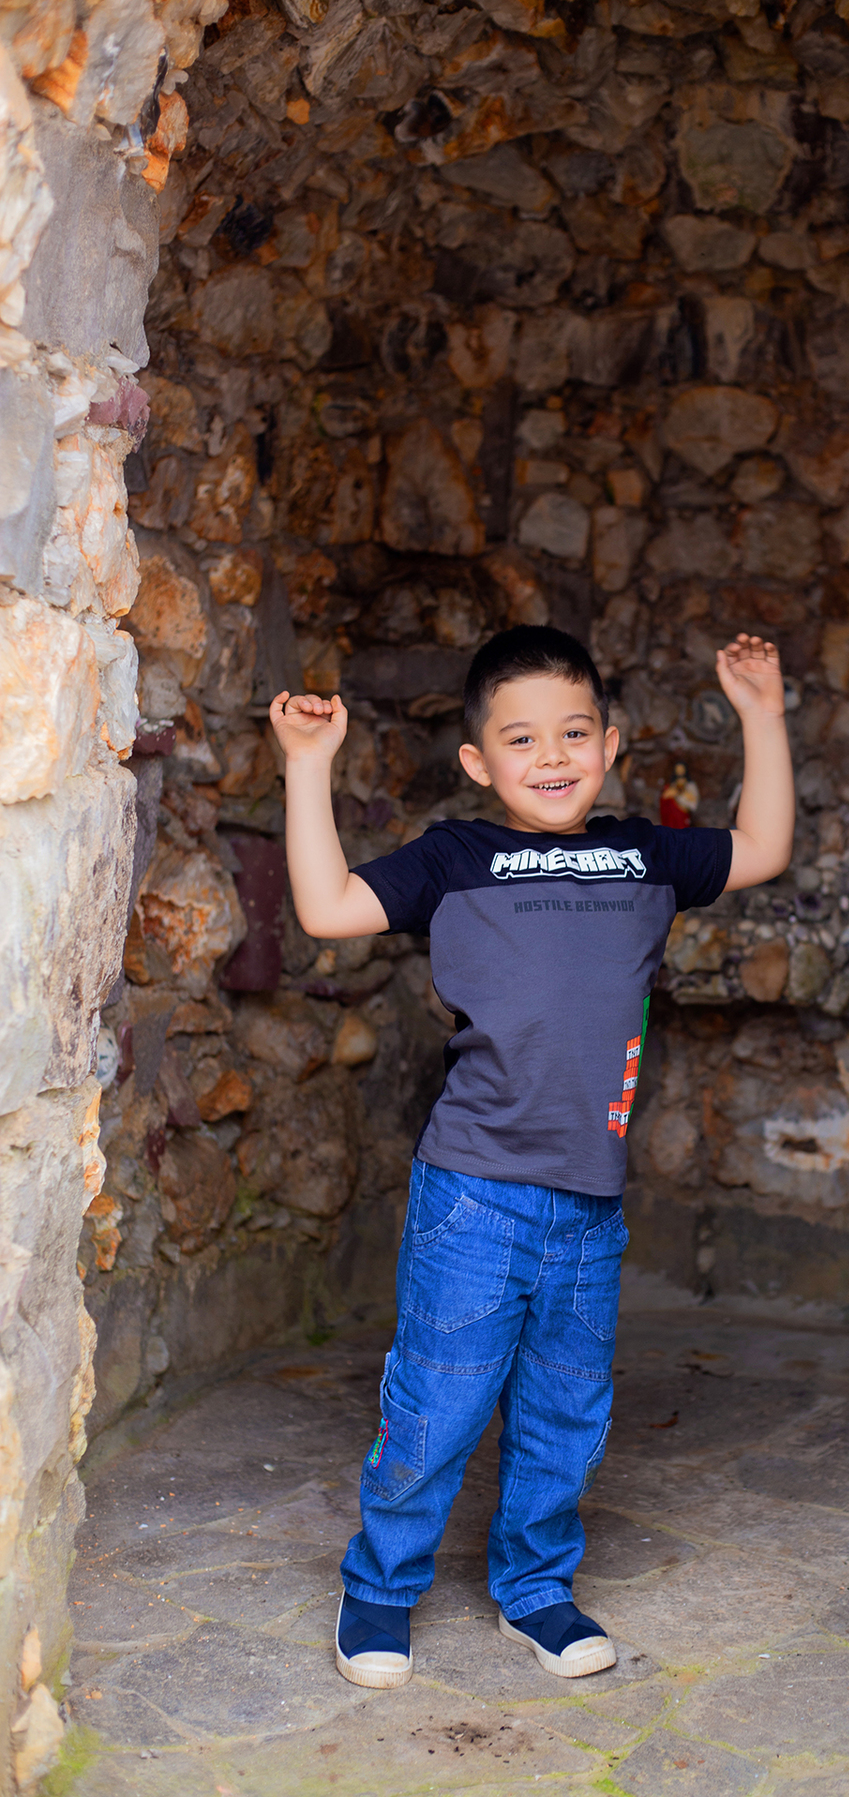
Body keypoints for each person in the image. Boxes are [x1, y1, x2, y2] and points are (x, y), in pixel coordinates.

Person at [269, 623, 794, 1689]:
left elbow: (765, 848)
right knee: (439, 1402)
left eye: (572, 732)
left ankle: (537, 1590)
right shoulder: (456, 859)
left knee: (566, 1413)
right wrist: (308, 769)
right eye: (520, 738)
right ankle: (378, 1590)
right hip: (474, 1194)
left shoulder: (646, 853)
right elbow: (327, 911)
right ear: (478, 762)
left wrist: (762, 715)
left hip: (589, 1205)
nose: (550, 756)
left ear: (610, 744)